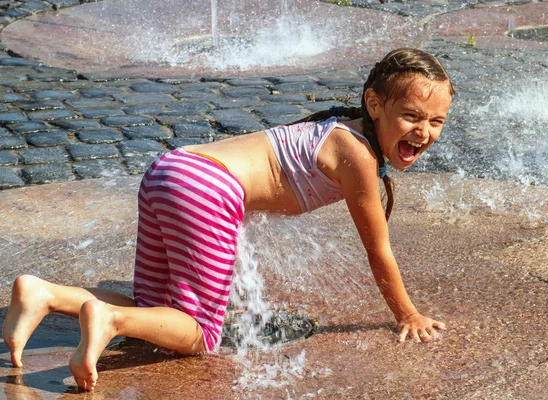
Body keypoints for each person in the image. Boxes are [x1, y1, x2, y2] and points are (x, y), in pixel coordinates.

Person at [2, 47, 454, 391]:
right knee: (200, 332)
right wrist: (408, 314)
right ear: (374, 104)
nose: (424, 131)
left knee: (153, 307)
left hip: (173, 169)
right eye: (411, 116)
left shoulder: (340, 129)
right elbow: (378, 249)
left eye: (436, 121)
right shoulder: (354, 155)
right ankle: (106, 320)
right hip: (209, 190)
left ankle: (44, 294)